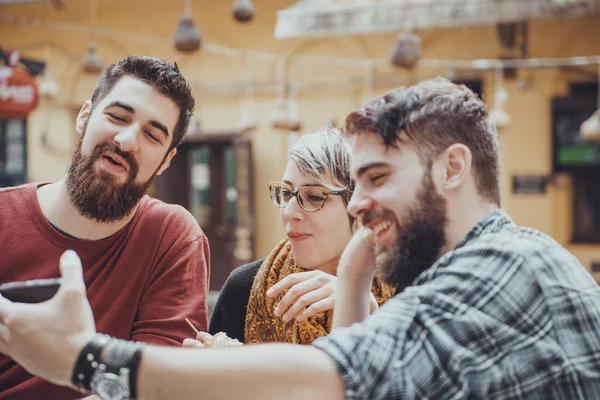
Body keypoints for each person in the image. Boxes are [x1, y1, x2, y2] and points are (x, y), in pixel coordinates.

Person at [2, 77, 600, 400]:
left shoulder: (506, 266)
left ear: (452, 170)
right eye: (287, 193)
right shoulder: (478, 266)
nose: (359, 203)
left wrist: (85, 360)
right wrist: (357, 275)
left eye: (377, 179)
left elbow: (330, 382)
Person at [0, 56, 210, 399]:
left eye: (152, 135)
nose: (128, 140)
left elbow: (157, 388)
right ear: (84, 117)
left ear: (165, 162)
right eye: (117, 117)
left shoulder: (171, 238)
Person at [203, 128, 395, 345]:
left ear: (362, 206)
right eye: (286, 193)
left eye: (314, 196)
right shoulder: (243, 289)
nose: (290, 212)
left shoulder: (410, 288)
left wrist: (360, 304)